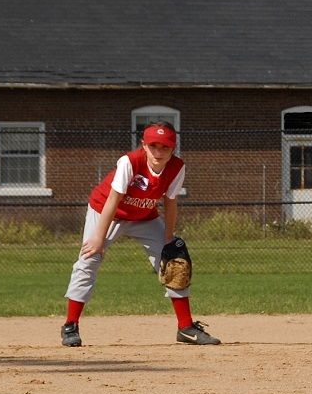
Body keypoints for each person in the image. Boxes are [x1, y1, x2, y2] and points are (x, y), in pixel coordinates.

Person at [60, 122, 220, 347]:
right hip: (107, 211)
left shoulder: (176, 167)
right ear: (144, 146)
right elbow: (113, 200)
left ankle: (185, 327)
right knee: (89, 259)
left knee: (175, 261)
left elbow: (171, 203)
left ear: (173, 149)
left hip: (144, 217)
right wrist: (98, 238)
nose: (158, 152)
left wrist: (168, 239)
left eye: (164, 147)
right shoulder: (130, 162)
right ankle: (70, 325)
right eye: (153, 146)